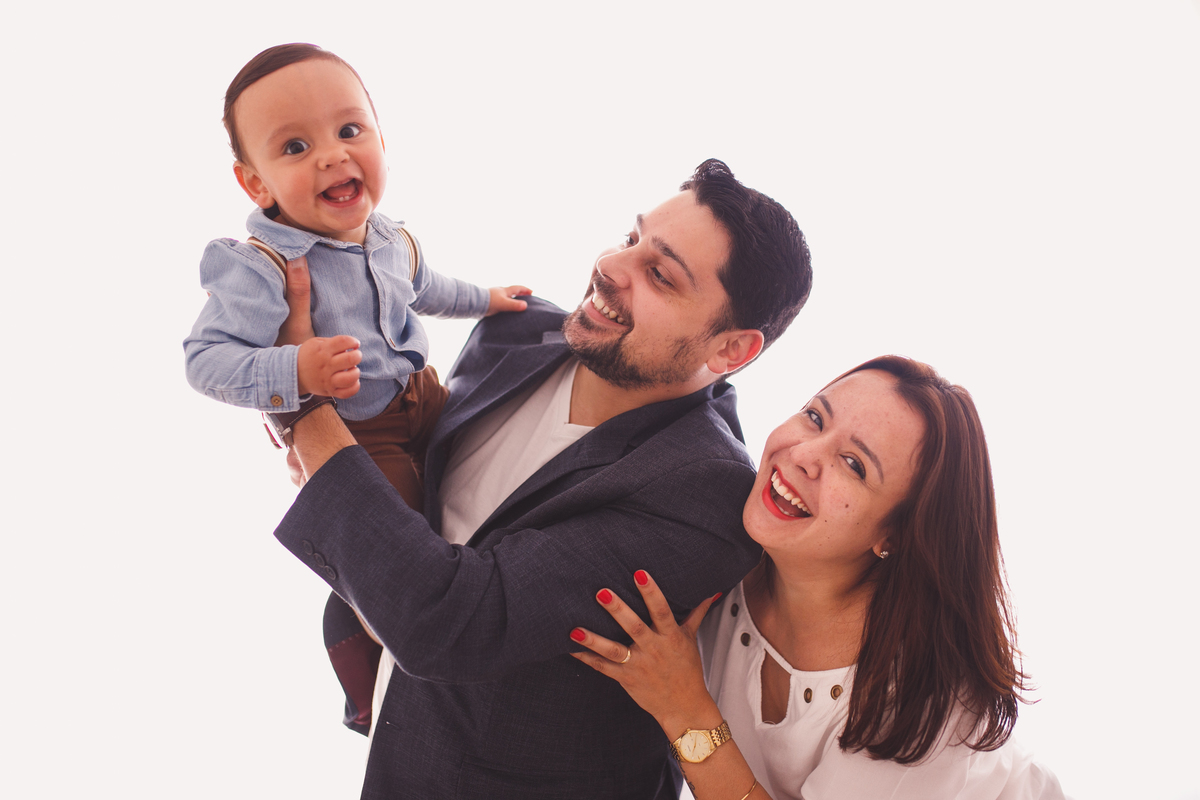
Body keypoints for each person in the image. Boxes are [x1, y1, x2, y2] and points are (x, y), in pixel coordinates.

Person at [272, 159, 813, 798]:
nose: (614, 267)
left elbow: (453, 620)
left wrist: (300, 399)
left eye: (659, 275)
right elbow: (415, 502)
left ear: (731, 350)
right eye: (632, 238)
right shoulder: (514, 332)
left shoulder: (704, 496)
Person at [571, 356, 1069, 800]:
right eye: (815, 417)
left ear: (894, 535)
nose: (804, 455)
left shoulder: (921, 697)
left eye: (853, 465)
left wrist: (684, 708)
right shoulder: (726, 547)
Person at [183, 43, 529, 511]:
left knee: (493, 478)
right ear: (257, 184)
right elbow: (205, 361)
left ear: (382, 141)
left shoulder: (390, 239)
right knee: (399, 532)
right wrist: (297, 369)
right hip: (357, 434)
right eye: (295, 147)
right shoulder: (262, 266)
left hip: (423, 395)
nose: (332, 155)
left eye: (349, 130)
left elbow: (427, 288)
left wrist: (486, 298)